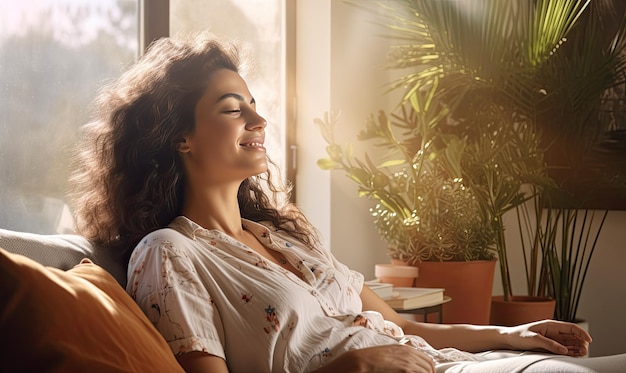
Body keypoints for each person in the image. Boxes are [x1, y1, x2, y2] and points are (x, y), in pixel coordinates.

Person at [69, 32, 626, 373]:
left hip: (448, 366)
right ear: (179, 136)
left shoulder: (282, 238)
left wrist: (510, 336)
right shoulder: (169, 254)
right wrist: (347, 369)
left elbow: (411, 332)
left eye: (256, 105)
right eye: (233, 109)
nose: (260, 120)